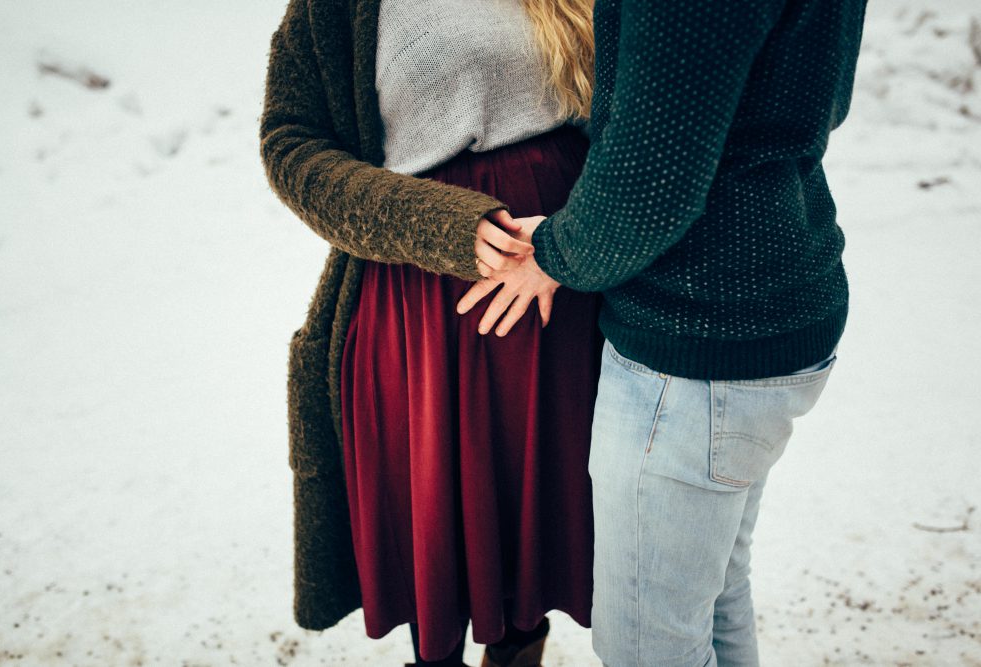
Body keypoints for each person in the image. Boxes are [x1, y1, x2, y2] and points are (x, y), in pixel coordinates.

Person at [458, 1, 869, 664]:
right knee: (712, 597)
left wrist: (557, 252)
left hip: (698, 345)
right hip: (773, 304)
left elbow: (650, 178)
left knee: (648, 643)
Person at [259, 1, 600, 665]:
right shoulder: (338, 9)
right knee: (436, 546)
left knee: (531, 550)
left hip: (559, 290)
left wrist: (578, 242)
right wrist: (435, 224)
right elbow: (290, 144)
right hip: (423, 302)